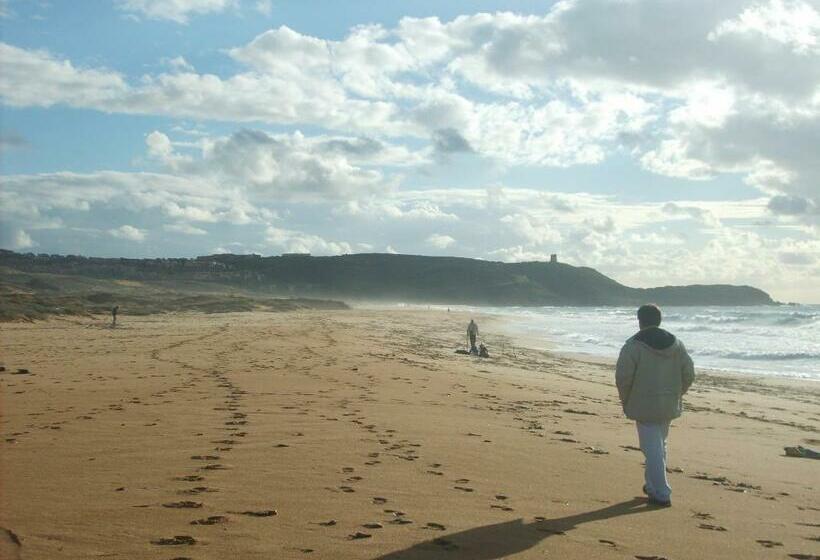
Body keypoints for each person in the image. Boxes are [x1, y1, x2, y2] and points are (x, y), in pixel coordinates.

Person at [616, 304, 694, 507]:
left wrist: (626, 399)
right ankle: (651, 485)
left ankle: (661, 492)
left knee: (651, 448)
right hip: (668, 402)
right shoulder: (676, 344)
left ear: (640, 321)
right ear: (659, 320)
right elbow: (688, 373)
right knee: (659, 445)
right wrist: (678, 393)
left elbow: (623, 377)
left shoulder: (633, 345)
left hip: (643, 402)